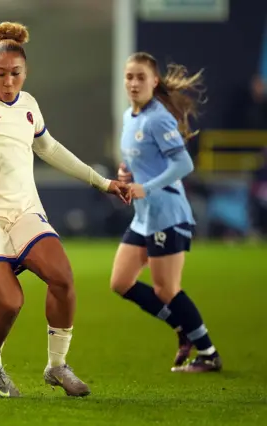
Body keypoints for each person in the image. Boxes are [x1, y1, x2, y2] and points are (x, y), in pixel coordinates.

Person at [0, 22, 129, 398]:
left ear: (25, 73)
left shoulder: (29, 105)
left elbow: (49, 149)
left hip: (24, 211)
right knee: (11, 301)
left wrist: (102, 182)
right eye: (0, 73)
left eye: (16, 74)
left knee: (63, 279)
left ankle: (57, 366)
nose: (8, 81)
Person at [111, 52, 222, 373]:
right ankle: (181, 328)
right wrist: (126, 174)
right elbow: (140, 162)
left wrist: (147, 186)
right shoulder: (130, 117)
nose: (133, 83)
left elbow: (183, 163)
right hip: (144, 217)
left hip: (168, 215)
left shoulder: (158, 118)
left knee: (166, 289)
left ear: (154, 81)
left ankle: (208, 353)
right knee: (120, 282)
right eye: (129, 76)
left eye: (140, 77)